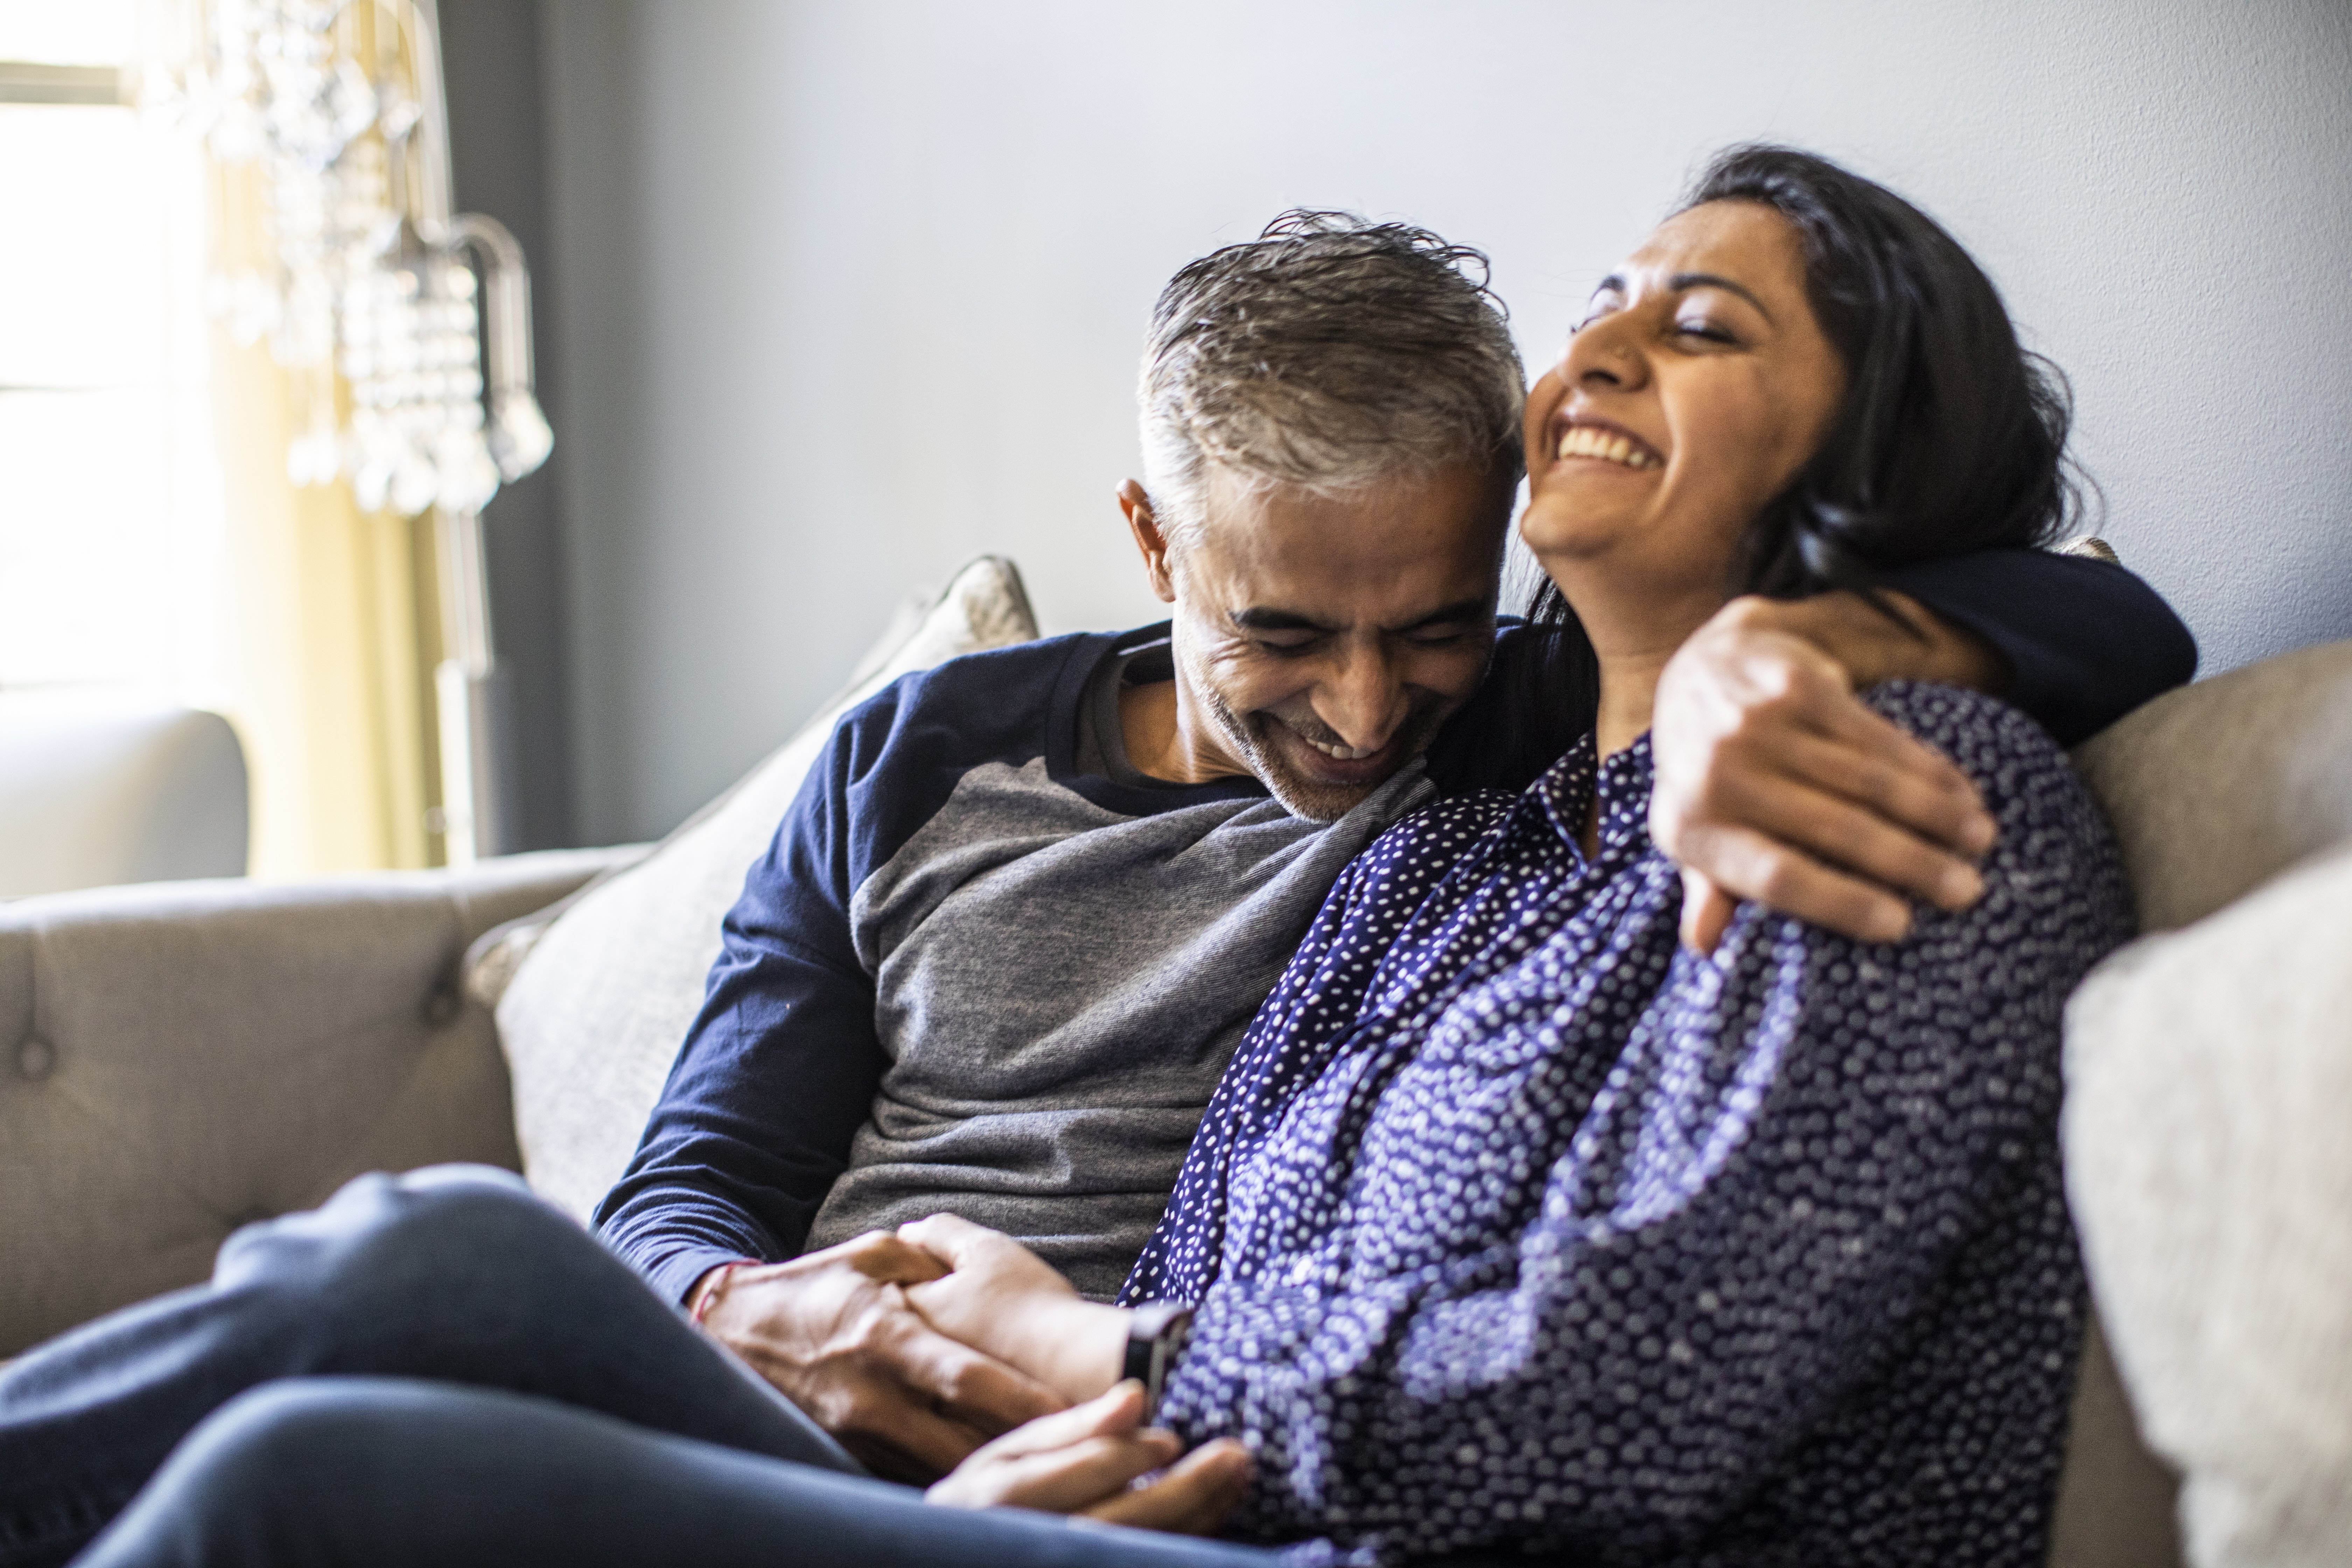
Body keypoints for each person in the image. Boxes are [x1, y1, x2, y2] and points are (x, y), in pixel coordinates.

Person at [13, 146, 2134, 1568]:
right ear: (1156, 552)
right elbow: (749, 1196)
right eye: (1618, 299)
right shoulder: (1451, 843)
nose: (1369, 711)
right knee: (428, 1254)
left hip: (1228, 1477)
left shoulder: (1817, 788)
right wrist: (927, 1378)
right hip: (1059, 1439)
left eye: (1708, 326)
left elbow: (1626, 1400)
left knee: (324, 1475)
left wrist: (1838, 633)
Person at [599, 211, 2188, 1475]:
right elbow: (691, 1183)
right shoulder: (919, 751)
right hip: (789, 1390)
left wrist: (1793, 650)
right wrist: (753, 1317)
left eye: (1431, 624)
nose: (1365, 715)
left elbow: (2111, 618)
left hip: (1110, 1457)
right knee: (430, 1288)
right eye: (1280, 631)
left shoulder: (1516, 729)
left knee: (404, 1309)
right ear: (1155, 538)